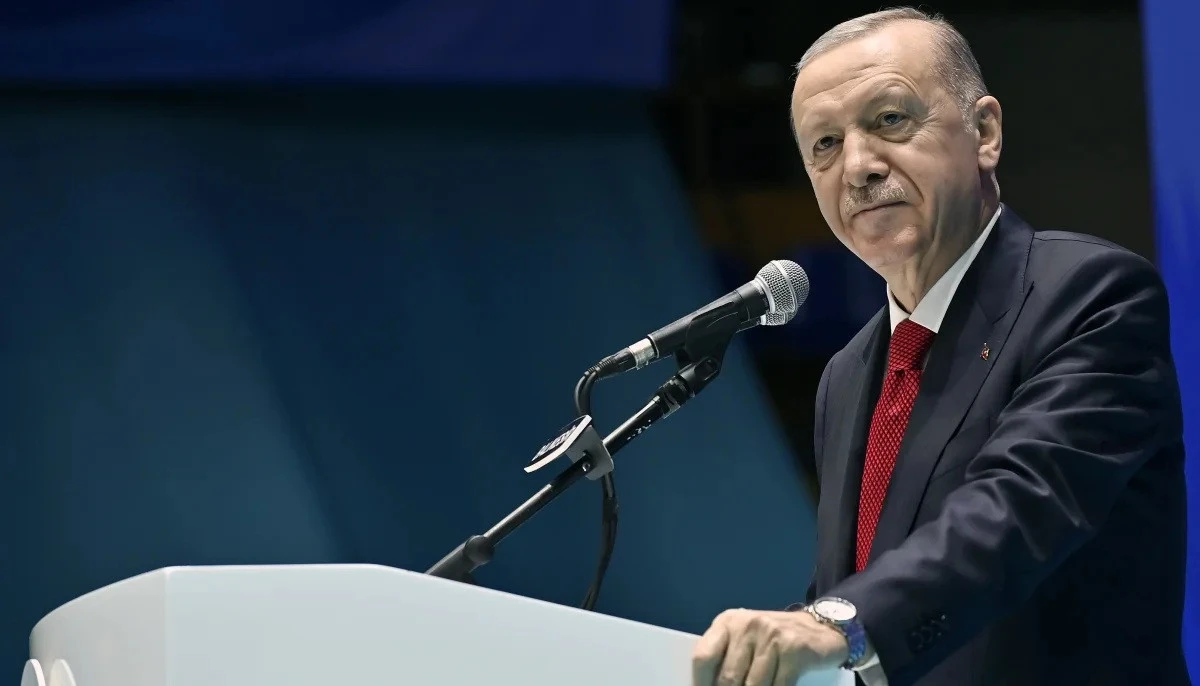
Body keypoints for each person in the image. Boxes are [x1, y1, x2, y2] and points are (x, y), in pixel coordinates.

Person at [690, 7, 1190, 686]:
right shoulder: (848, 375)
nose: (858, 167)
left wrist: (832, 624)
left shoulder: (1089, 295)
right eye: (825, 143)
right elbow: (860, 588)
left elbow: (1016, 510)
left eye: (890, 119)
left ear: (985, 133)